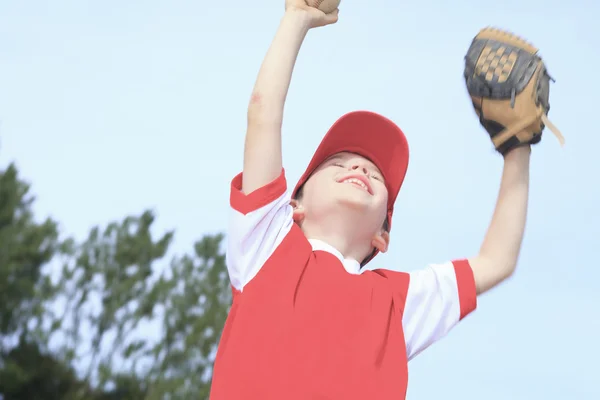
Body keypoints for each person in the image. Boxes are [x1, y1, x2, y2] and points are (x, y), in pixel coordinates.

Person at [209, 1, 531, 399]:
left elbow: (497, 262)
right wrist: (296, 19)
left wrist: (517, 149)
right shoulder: (266, 246)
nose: (360, 170)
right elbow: (263, 115)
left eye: (376, 175)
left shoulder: (396, 303)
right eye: (339, 163)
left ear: (383, 235)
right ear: (294, 207)